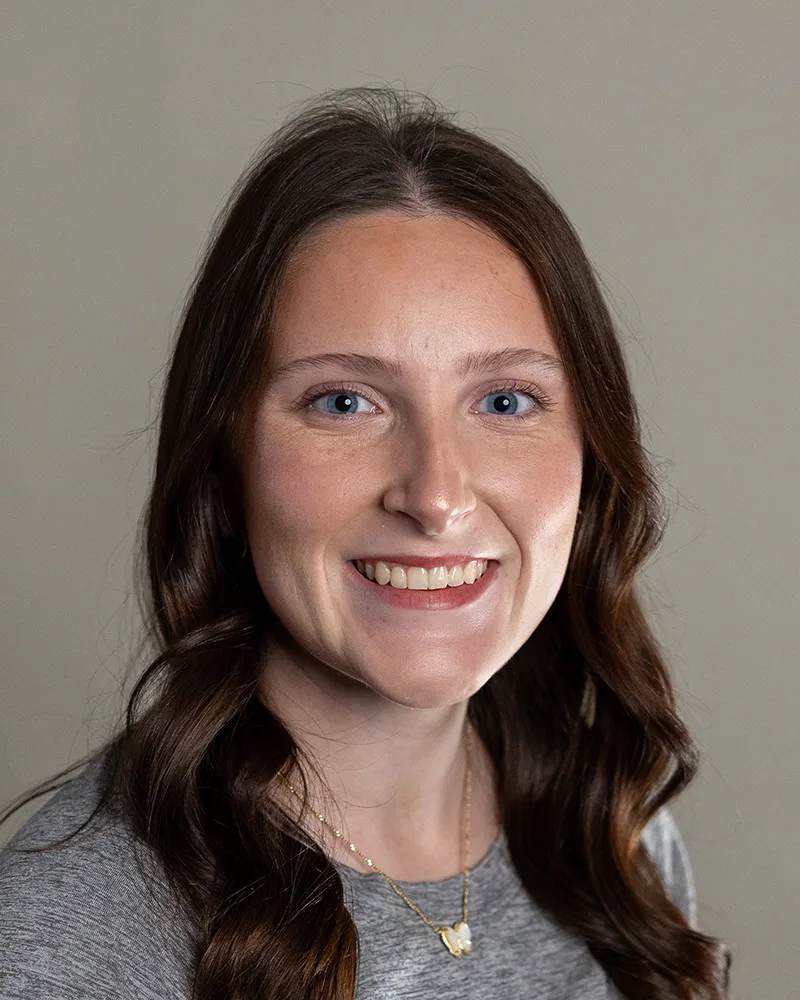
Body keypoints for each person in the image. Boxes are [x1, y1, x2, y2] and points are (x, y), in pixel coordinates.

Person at [0, 86, 729, 1000]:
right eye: (345, 401)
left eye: (505, 402)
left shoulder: (605, 835)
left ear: (591, 454)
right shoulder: (72, 941)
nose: (435, 495)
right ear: (226, 462)